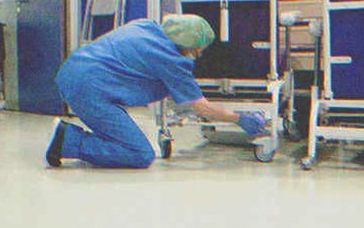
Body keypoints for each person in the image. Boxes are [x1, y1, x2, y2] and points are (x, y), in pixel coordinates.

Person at [45, 14, 268, 168]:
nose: (199, 53)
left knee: (121, 135)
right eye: (198, 48)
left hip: (73, 70)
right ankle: (67, 140)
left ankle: (71, 137)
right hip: (89, 88)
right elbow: (202, 106)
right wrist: (238, 119)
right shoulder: (172, 59)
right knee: (139, 153)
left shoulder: (147, 26)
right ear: (188, 43)